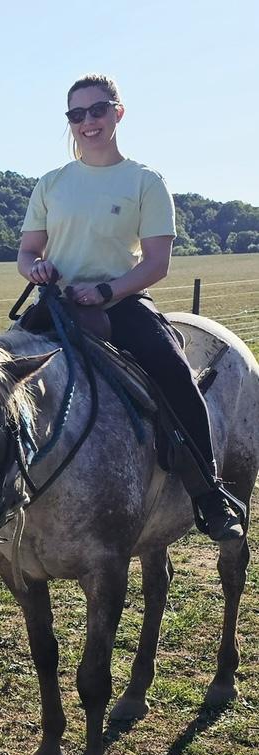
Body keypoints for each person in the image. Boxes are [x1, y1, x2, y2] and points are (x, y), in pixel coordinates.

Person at [16, 73, 243, 542]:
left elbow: (157, 263)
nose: (87, 122)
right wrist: (35, 269)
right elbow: (28, 251)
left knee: (175, 377)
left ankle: (208, 493)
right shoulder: (51, 183)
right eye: (76, 115)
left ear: (117, 112)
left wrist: (105, 292)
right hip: (56, 304)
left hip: (120, 305)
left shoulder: (144, 181)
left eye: (96, 110)